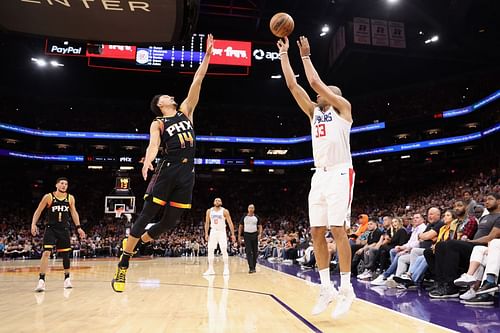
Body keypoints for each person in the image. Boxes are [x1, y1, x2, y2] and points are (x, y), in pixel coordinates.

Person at [111, 34, 214, 292]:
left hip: (187, 173)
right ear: (160, 105)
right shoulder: (158, 122)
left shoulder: (187, 111)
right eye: (166, 96)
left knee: (169, 222)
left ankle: (140, 243)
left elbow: (197, 80)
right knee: (147, 214)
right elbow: (154, 144)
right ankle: (124, 262)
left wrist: (208, 56)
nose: (171, 96)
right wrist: (148, 159)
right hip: (167, 170)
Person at [277, 35, 355, 319]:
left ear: (333, 95)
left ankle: (346, 287)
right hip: (319, 176)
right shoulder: (313, 113)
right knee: (315, 233)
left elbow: (313, 83)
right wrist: (285, 55)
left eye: (324, 92)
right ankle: (326, 288)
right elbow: (292, 85)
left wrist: (306, 57)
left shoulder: (343, 111)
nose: (318, 95)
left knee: (338, 229)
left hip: (340, 172)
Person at [31, 177, 86, 292]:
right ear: (56, 185)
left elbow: (74, 213)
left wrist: (79, 227)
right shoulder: (49, 197)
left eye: (66, 184)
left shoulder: (70, 198)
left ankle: (67, 279)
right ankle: (41, 281)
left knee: (66, 254)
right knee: (46, 253)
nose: (64, 185)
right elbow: (38, 211)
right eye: (61, 183)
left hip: (64, 229)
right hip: (51, 228)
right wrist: (33, 224)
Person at [203, 198, 236, 276]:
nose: (217, 201)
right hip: (213, 231)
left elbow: (230, 223)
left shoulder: (225, 211)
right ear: (214, 202)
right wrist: (206, 234)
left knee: (224, 249)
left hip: (222, 231)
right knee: (210, 250)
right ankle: (210, 269)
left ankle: (226, 268)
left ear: (221, 202)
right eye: (216, 200)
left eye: (219, 200)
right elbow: (207, 223)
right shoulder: (209, 211)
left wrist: (233, 234)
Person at [238, 204, 262, 273]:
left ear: (254, 209)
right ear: (248, 209)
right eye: (249, 208)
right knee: (248, 251)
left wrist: (260, 234)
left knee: (255, 252)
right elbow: (240, 226)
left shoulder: (256, 217)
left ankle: (254, 266)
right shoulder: (244, 217)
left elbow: (260, 226)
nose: (251, 209)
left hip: (255, 234)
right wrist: (239, 235)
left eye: (252, 208)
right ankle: (251, 268)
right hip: (246, 235)